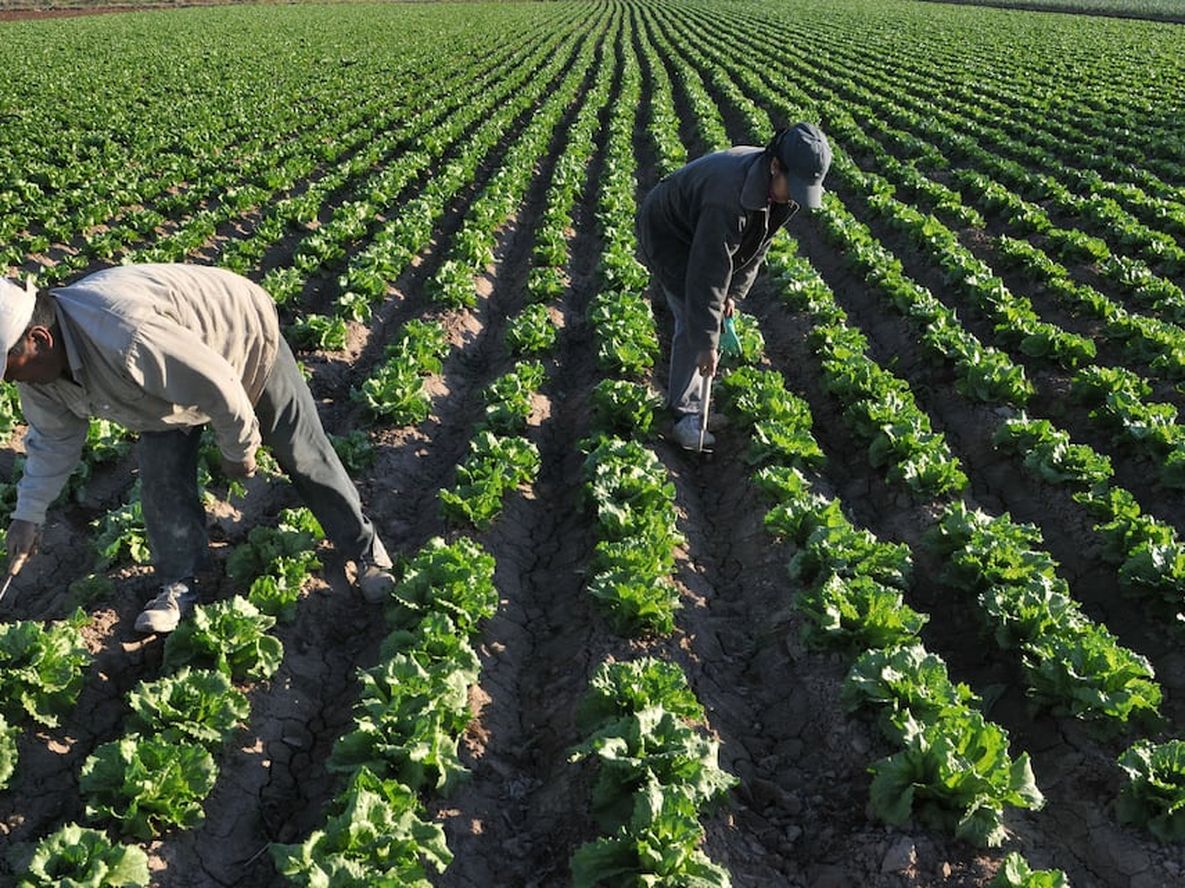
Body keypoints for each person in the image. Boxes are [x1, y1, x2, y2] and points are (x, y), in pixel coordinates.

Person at [0, 263, 395, 633]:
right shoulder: (39, 374)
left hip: (238, 338)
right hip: (152, 388)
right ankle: (180, 584)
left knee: (301, 450)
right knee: (160, 479)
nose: (8, 381)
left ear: (38, 339)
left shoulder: (127, 337)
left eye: (8, 369)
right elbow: (52, 441)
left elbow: (221, 388)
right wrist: (28, 515)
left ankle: (366, 551)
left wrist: (238, 451)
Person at [636, 122, 832, 449]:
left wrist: (734, 294)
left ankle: (697, 405)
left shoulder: (781, 190)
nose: (796, 196)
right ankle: (686, 413)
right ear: (774, 167)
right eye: (794, 186)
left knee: (709, 313)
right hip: (669, 233)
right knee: (691, 315)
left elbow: (757, 246)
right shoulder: (727, 198)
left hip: (702, 235)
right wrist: (707, 343)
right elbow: (707, 272)